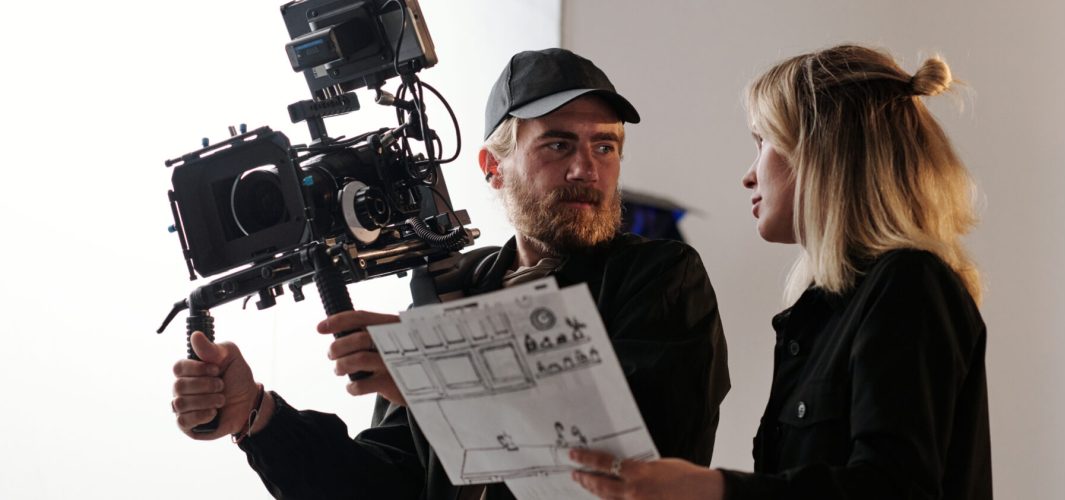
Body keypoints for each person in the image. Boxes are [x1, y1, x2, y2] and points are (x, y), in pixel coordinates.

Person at [170, 48, 731, 499]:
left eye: (604, 146)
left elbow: (637, 471)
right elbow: (383, 482)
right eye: (558, 143)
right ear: (493, 168)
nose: (586, 168)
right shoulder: (451, 291)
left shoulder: (660, 276)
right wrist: (259, 417)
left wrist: (436, 388)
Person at [571, 44, 992, 499]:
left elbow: (894, 486)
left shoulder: (910, 284)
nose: (748, 176)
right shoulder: (821, 311)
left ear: (823, 150)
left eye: (761, 143)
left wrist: (713, 490)